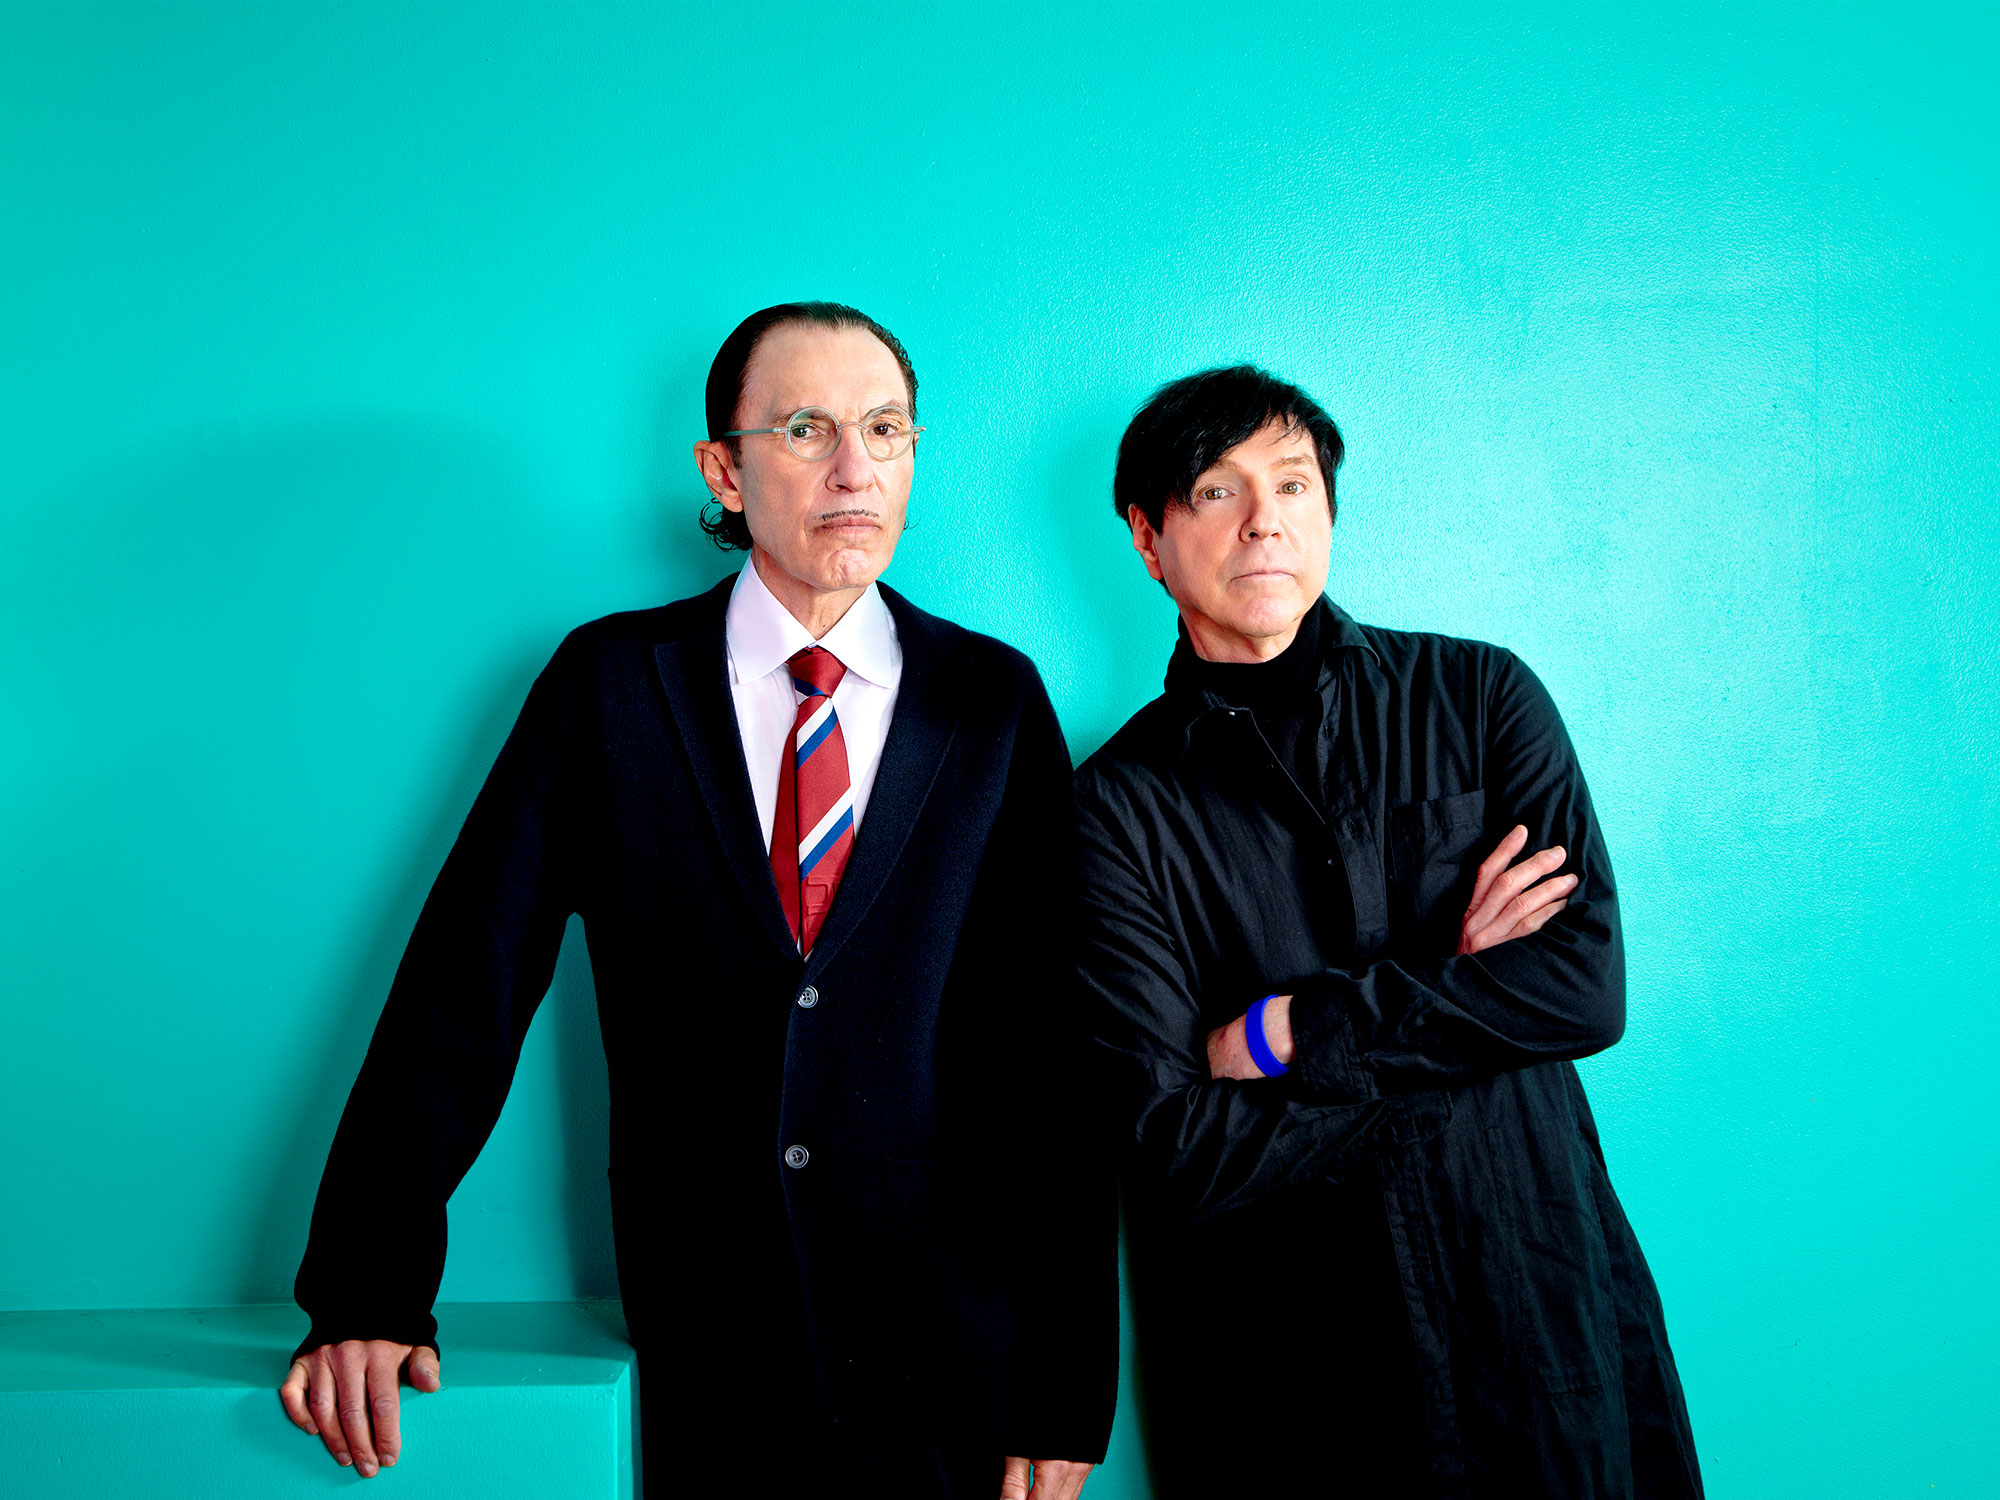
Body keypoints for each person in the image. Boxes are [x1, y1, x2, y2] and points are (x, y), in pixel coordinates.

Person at [278, 302, 1116, 1499]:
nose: (855, 468)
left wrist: (1063, 1376)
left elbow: (1053, 1053)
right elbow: (467, 982)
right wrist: (368, 1285)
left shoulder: (991, 700)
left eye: (885, 429)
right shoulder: (610, 684)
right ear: (723, 469)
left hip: (946, 1348)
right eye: (806, 429)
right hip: (706, 1335)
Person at [1073, 365, 1702, 1497]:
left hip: (1530, 1306)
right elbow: (1175, 1145)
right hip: (1292, 1365)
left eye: (1292, 484)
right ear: (1147, 537)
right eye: (1215, 489)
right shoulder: (1113, 809)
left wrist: (1287, 1035)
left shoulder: (1480, 697)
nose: (1264, 519)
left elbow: (1580, 987)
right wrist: (1464, 1003)